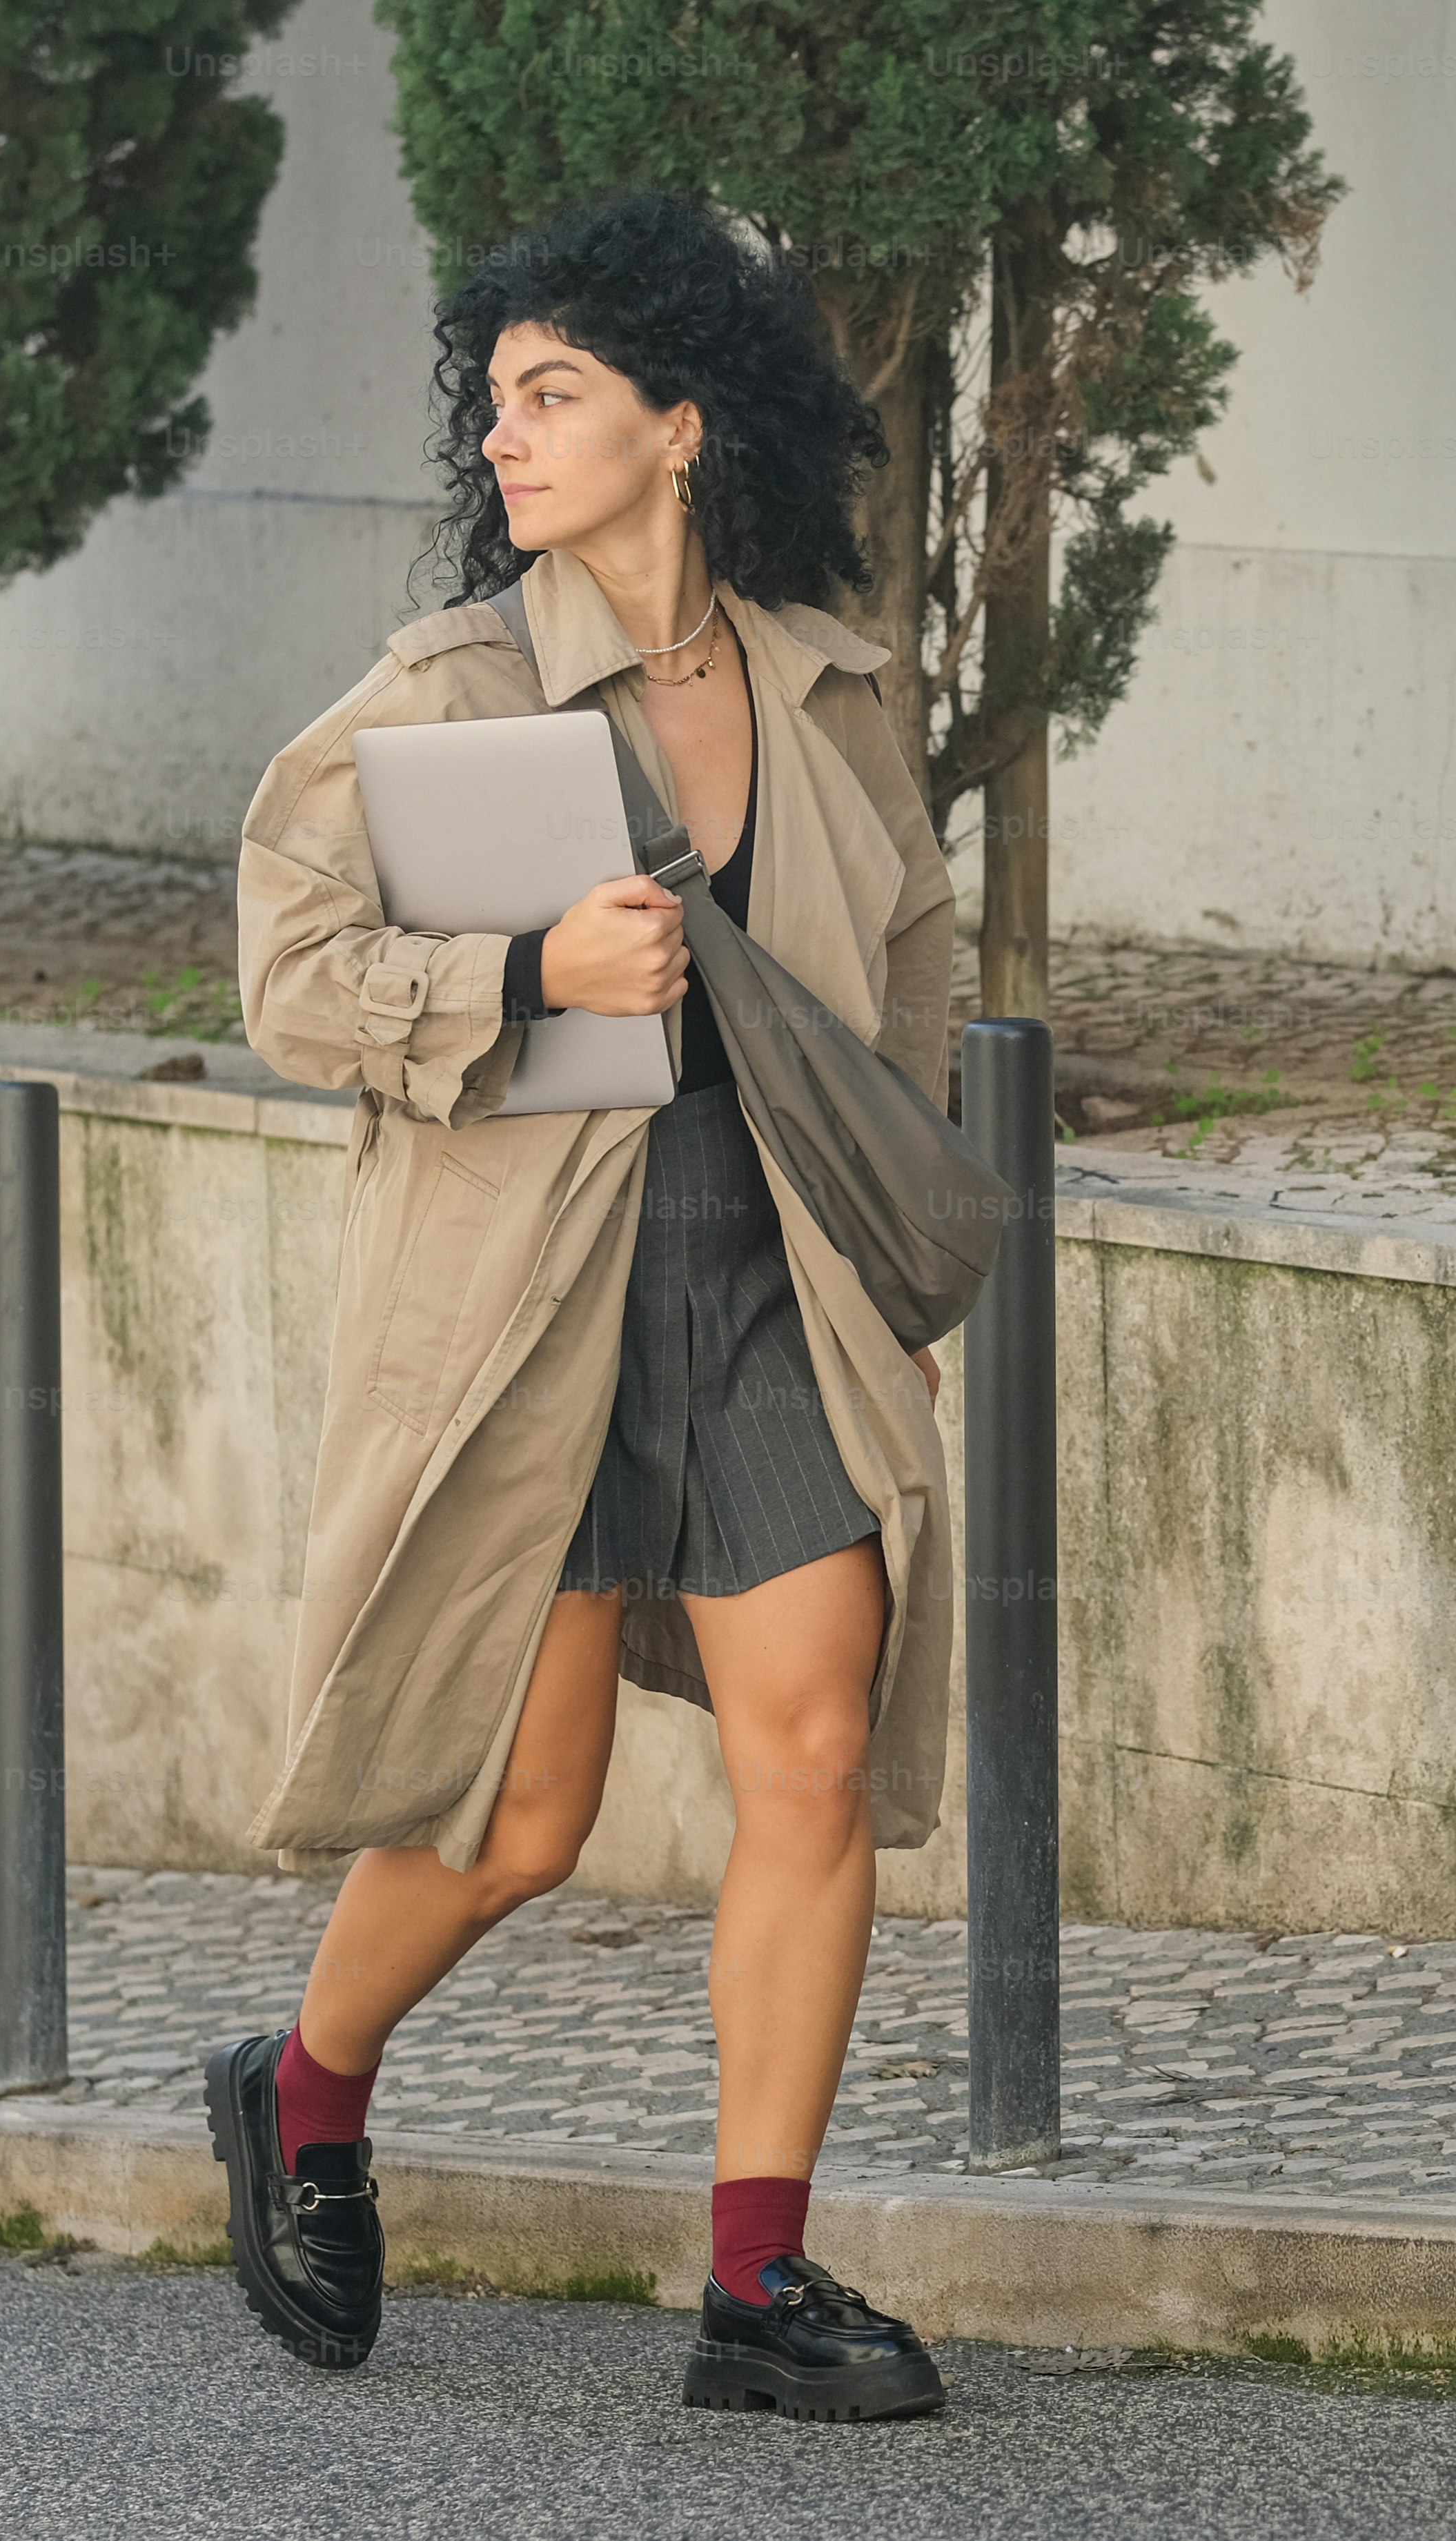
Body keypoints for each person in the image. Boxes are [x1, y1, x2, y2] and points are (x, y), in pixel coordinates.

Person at [208, 191, 961, 2423]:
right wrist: (525, 969)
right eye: (499, 399)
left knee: (809, 1752)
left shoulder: (828, 694)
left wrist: (890, 1238)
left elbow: (905, 972)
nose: (509, 433)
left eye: (556, 396)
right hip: (533, 1293)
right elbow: (284, 973)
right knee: (521, 1816)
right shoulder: (444, 690)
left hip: (767, 1277)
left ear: (681, 425)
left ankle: (756, 2277)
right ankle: (304, 2086)